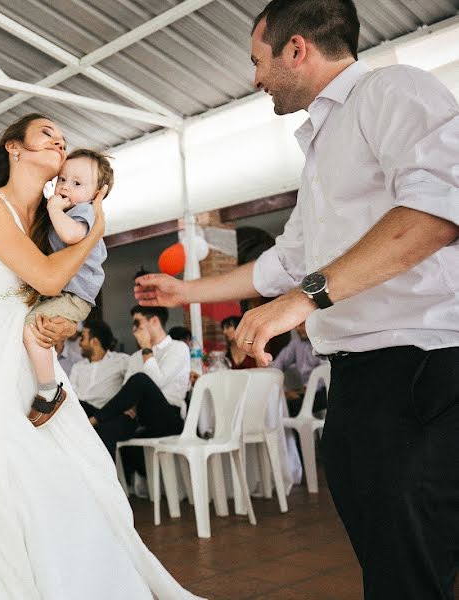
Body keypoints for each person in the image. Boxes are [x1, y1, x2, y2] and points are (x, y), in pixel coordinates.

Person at [135, 1, 459, 596]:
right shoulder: (322, 142)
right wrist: (187, 291)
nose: (255, 78)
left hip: (421, 365)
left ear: (297, 49)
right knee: (390, 564)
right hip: (362, 380)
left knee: (411, 569)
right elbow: (286, 261)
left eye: (258, 61)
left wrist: (303, 300)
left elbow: (437, 213)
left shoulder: (392, 91)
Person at [0, 113, 202, 598]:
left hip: (29, 348)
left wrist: (65, 320)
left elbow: (57, 290)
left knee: (71, 476)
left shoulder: (49, 213)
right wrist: (97, 228)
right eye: (46, 134)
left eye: (63, 137)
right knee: (2, 485)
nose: (59, 141)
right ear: (13, 148)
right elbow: (49, 277)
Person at [21, 148, 113, 426]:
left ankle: (49, 390)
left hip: (76, 295)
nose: (65, 188)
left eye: (77, 183)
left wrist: (52, 208)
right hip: (66, 291)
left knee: (31, 326)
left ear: (98, 194)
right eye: (62, 180)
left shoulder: (84, 212)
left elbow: (72, 235)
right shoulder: (69, 209)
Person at [88, 306, 191, 457]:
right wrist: (128, 405)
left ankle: (94, 419)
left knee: (141, 379)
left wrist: (146, 348)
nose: (133, 329)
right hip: (140, 416)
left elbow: (156, 382)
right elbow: (127, 391)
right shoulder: (136, 356)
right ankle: (111, 479)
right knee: (108, 428)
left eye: (137, 323)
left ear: (154, 321)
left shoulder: (178, 348)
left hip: (168, 416)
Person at [69, 320, 128, 416]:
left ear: (94, 342)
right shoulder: (78, 367)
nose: (80, 344)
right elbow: (71, 395)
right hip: (79, 412)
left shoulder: (121, 361)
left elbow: (135, 382)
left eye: (83, 338)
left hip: (106, 414)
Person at [271, 322, 327, 416]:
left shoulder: (322, 341)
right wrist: (284, 390)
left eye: (301, 325)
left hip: (325, 390)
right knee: (281, 404)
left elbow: (325, 373)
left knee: (292, 407)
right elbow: (279, 363)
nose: (297, 329)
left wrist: (301, 392)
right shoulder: (296, 342)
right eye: (296, 326)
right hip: (306, 391)